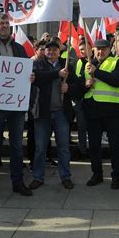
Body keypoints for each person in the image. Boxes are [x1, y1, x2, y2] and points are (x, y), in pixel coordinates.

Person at [0, 13, 35, 202]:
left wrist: (30, 77)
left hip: (16, 106)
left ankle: (17, 182)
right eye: (1, 23)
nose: (4, 26)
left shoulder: (18, 48)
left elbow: (26, 72)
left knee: (17, 146)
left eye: (6, 23)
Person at [30, 41, 75, 189]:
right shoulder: (38, 64)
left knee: (63, 147)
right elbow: (38, 77)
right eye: (48, 50)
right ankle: (38, 177)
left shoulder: (67, 65)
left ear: (59, 52)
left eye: (54, 50)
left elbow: (77, 85)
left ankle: (65, 176)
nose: (51, 52)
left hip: (61, 112)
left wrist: (69, 87)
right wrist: (57, 74)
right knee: (40, 147)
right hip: (43, 112)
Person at [83, 39, 119, 189]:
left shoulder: (117, 61)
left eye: (104, 49)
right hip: (92, 111)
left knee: (115, 146)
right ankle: (97, 174)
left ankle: (116, 176)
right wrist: (85, 85)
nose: (100, 52)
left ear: (109, 49)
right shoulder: (86, 64)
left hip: (112, 112)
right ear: (93, 50)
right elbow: (80, 86)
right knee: (94, 146)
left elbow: (117, 80)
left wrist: (96, 72)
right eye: (98, 49)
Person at [73, 41, 89, 159]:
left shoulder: (94, 62)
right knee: (81, 126)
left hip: (92, 99)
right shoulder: (78, 62)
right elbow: (77, 80)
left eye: (85, 49)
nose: (82, 51)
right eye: (81, 49)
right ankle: (82, 150)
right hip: (80, 99)